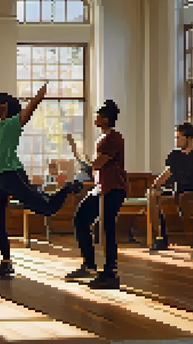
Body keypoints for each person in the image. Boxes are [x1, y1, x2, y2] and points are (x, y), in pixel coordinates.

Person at [0, 84, 83, 278]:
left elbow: (30, 108)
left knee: (45, 208)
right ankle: (6, 262)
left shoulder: (13, 123)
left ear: (3, 106)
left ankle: (67, 188)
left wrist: (38, 97)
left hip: (12, 174)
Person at [65, 100, 127, 289]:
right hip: (101, 188)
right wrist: (77, 152)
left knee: (107, 229)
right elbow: (94, 165)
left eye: (99, 116)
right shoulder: (102, 138)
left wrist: (77, 152)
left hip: (113, 188)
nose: (96, 119)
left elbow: (96, 164)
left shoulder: (113, 138)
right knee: (81, 219)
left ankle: (111, 273)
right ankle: (90, 266)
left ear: (107, 119)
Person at [148, 122, 193, 257]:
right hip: (179, 192)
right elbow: (168, 173)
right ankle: (161, 238)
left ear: (188, 138)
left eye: (179, 137)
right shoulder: (175, 156)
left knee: (186, 198)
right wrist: (155, 186)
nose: (176, 140)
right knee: (154, 197)